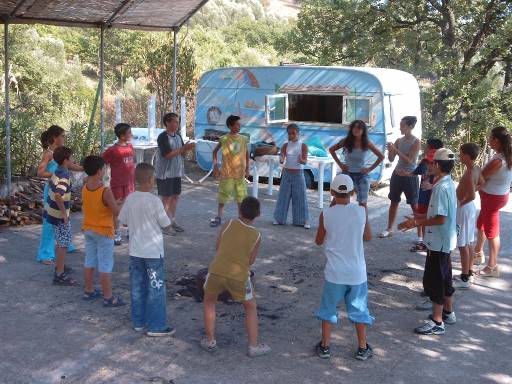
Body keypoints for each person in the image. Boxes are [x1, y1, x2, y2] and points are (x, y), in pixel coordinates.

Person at [201, 196, 271, 357]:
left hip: (216, 271)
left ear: (239, 210)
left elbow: (217, 247)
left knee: (209, 301)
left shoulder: (228, 223)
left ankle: (210, 341)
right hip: (239, 276)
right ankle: (253, 346)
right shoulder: (256, 235)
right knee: (251, 306)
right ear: (258, 214)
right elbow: (251, 260)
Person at [314, 174, 374, 361]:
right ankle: (362, 348)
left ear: (331, 192)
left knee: (328, 310)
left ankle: (325, 346)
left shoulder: (326, 213)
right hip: (357, 273)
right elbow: (368, 237)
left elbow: (318, 241)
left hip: (334, 273)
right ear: (353, 192)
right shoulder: (361, 211)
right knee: (359, 310)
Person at [398, 148, 457, 335]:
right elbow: (437, 214)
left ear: (437, 165)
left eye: (431, 163)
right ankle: (448, 312)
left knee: (435, 281)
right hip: (445, 241)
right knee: (446, 277)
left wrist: (416, 222)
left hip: (438, 242)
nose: (428, 165)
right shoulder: (447, 183)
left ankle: (437, 322)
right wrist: (419, 215)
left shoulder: (440, 187)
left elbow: (440, 218)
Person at [118, 163, 175, 336]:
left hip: (135, 251)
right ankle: (156, 326)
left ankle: (138, 321)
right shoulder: (154, 201)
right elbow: (166, 224)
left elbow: (124, 221)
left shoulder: (130, 198)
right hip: (153, 253)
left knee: (137, 287)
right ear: (151, 180)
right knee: (156, 288)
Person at [81, 155, 125, 307]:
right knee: (105, 265)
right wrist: (121, 204)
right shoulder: (105, 190)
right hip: (104, 232)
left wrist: (113, 203)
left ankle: (88, 290)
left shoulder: (85, 188)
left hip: (89, 229)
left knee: (89, 261)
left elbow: (95, 206)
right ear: (100, 171)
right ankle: (108, 297)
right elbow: (115, 211)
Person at [36, 125, 80, 264]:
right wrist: (57, 175)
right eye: (62, 136)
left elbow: (72, 165)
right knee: (50, 222)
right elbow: (40, 172)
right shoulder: (48, 154)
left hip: (64, 191)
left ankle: (66, 244)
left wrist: (90, 167)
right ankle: (45, 255)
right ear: (55, 138)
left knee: (64, 217)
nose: (64, 138)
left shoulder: (63, 152)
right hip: (51, 192)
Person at [474, 126, 512, 277]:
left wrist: (474, 168)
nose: (489, 141)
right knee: (481, 223)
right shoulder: (505, 156)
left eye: (490, 138)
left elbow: (480, 177)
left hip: (492, 198)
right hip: (497, 196)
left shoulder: (498, 160)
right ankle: (478, 253)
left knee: (492, 232)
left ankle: (492, 267)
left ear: (496, 140)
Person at [398, 139, 444, 252]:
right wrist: (406, 173)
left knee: (432, 218)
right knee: (423, 216)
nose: (430, 166)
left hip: (432, 196)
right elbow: (417, 171)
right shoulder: (425, 160)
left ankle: (430, 243)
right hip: (423, 195)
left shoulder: (440, 162)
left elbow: (443, 181)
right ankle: (425, 242)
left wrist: (431, 186)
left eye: (427, 146)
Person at [379, 116, 421, 238]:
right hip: (397, 174)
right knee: (394, 201)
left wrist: (396, 150)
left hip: (410, 176)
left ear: (410, 127)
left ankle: (420, 236)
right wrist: (389, 150)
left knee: (414, 204)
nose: (400, 128)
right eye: (400, 125)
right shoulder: (399, 140)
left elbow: (409, 160)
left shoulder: (416, 142)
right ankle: (389, 229)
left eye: (403, 125)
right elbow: (392, 159)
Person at [154, 113, 195, 235]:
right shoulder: (162, 137)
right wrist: (184, 149)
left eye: (177, 122)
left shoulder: (178, 136)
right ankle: (164, 224)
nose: (177, 124)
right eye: (174, 122)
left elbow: (181, 152)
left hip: (176, 172)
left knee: (175, 196)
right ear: (167, 122)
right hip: (165, 173)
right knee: (165, 198)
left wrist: (187, 149)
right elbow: (167, 154)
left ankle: (171, 221)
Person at [45, 146, 78, 286]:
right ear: (66, 160)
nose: (73, 160)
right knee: (63, 244)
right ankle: (59, 275)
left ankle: (60, 266)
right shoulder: (64, 176)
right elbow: (59, 195)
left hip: (52, 213)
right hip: (59, 215)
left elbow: (51, 186)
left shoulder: (57, 171)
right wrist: (64, 214)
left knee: (60, 242)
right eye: (71, 158)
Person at [210, 115, 250, 227]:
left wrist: (247, 168)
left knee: (241, 197)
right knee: (223, 196)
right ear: (230, 126)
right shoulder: (224, 139)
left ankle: (241, 218)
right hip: (227, 173)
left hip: (240, 174)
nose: (239, 126)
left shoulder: (243, 139)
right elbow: (214, 152)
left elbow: (247, 154)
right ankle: (219, 217)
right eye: (237, 124)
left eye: (239, 124)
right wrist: (215, 166)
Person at [102, 123, 135, 245]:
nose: (131, 135)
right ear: (121, 136)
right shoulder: (112, 150)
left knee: (130, 208)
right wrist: (102, 179)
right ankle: (116, 233)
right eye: (129, 133)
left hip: (130, 184)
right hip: (117, 184)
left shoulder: (131, 147)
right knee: (117, 210)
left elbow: (132, 164)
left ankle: (130, 231)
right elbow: (102, 162)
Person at [453, 143, 481, 289]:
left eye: (461, 153)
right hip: (469, 209)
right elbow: (481, 183)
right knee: (468, 241)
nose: (459, 155)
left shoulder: (470, 172)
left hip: (464, 209)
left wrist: (460, 202)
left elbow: (471, 195)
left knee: (462, 244)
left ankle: (464, 277)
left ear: (467, 156)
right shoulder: (475, 168)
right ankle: (468, 271)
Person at [273, 123, 310, 228]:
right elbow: (282, 157)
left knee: (300, 197)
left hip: (298, 173)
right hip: (287, 174)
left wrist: (301, 160)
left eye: (293, 133)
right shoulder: (285, 145)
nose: (291, 136)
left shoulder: (303, 146)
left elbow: (304, 161)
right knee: (283, 196)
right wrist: (281, 159)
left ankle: (302, 220)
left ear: (298, 133)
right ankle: (279, 218)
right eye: (289, 134)